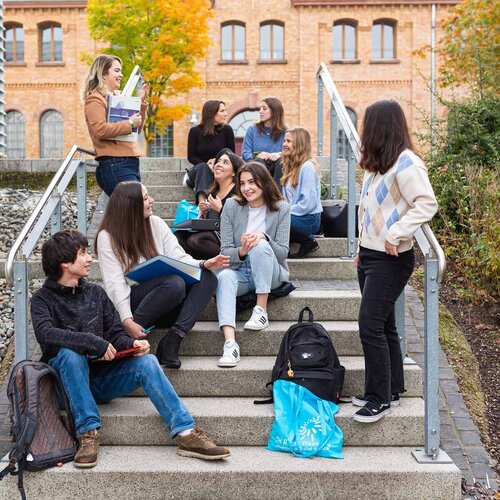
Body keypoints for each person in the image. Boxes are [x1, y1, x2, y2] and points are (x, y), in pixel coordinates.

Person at [31, 230, 230, 469]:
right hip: (64, 387)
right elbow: (47, 334)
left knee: (147, 362)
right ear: (64, 263)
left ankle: (186, 433)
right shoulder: (42, 299)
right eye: (83, 253)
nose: (89, 258)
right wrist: (95, 343)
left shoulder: (95, 293)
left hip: (100, 380)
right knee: (69, 355)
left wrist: (131, 344)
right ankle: (87, 433)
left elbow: (115, 331)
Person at [352, 99, 438, 423]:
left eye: (368, 124)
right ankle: (393, 388)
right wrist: (362, 246)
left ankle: (379, 398)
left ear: (379, 126)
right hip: (371, 256)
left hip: (392, 258)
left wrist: (396, 232)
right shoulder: (378, 166)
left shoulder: (407, 163)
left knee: (369, 324)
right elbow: (369, 211)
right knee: (385, 325)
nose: (363, 131)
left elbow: (426, 203)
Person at [95, 181, 229, 370]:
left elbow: (178, 257)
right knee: (174, 283)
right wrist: (127, 321)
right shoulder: (107, 237)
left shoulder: (156, 223)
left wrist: (203, 263)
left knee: (207, 277)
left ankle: (173, 340)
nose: (152, 200)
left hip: (166, 302)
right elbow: (115, 284)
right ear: (130, 205)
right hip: (135, 306)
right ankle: (126, 339)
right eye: (145, 198)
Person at [216, 162, 291, 367]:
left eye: (252, 182)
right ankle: (230, 344)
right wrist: (242, 251)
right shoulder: (231, 206)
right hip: (241, 271)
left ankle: (260, 310)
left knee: (259, 244)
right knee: (223, 277)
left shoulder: (282, 208)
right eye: (242, 183)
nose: (247, 188)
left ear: (264, 183)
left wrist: (264, 237)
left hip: (271, 272)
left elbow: (283, 252)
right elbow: (225, 252)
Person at [83, 55, 149, 196]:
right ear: (103, 74)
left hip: (129, 162)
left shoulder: (118, 99)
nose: (121, 74)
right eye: (117, 70)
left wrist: (140, 103)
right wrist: (129, 123)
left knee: (133, 213)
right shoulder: (95, 99)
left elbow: (136, 129)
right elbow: (99, 130)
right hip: (115, 164)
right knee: (135, 210)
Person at [176, 148, 244, 259]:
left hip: (228, 237)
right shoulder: (213, 191)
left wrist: (221, 209)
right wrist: (204, 212)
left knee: (196, 240)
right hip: (211, 232)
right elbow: (209, 221)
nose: (218, 164)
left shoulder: (238, 192)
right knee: (179, 237)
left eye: (225, 162)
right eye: (219, 161)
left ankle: (226, 260)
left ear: (234, 172)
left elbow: (241, 223)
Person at [280, 127, 323, 258]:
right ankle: (298, 243)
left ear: (299, 144)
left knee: (276, 217)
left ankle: (305, 242)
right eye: (284, 141)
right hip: (296, 215)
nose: (284, 144)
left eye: (289, 141)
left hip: (309, 218)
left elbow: (308, 203)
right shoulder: (290, 167)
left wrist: (284, 211)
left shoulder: (307, 167)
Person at [185, 100, 235, 204]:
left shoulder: (227, 130)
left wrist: (216, 162)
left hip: (220, 169)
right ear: (211, 113)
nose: (226, 114)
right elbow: (191, 156)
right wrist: (208, 164)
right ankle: (202, 203)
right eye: (222, 111)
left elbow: (231, 154)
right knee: (203, 167)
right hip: (199, 169)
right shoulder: (195, 131)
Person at [241, 97, 287, 184]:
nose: (260, 111)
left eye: (264, 109)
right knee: (259, 161)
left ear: (274, 111)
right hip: (257, 169)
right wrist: (257, 155)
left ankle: (278, 195)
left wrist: (279, 154)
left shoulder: (286, 131)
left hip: (277, 168)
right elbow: (245, 153)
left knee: (281, 162)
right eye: (260, 108)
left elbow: (292, 152)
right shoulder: (252, 129)